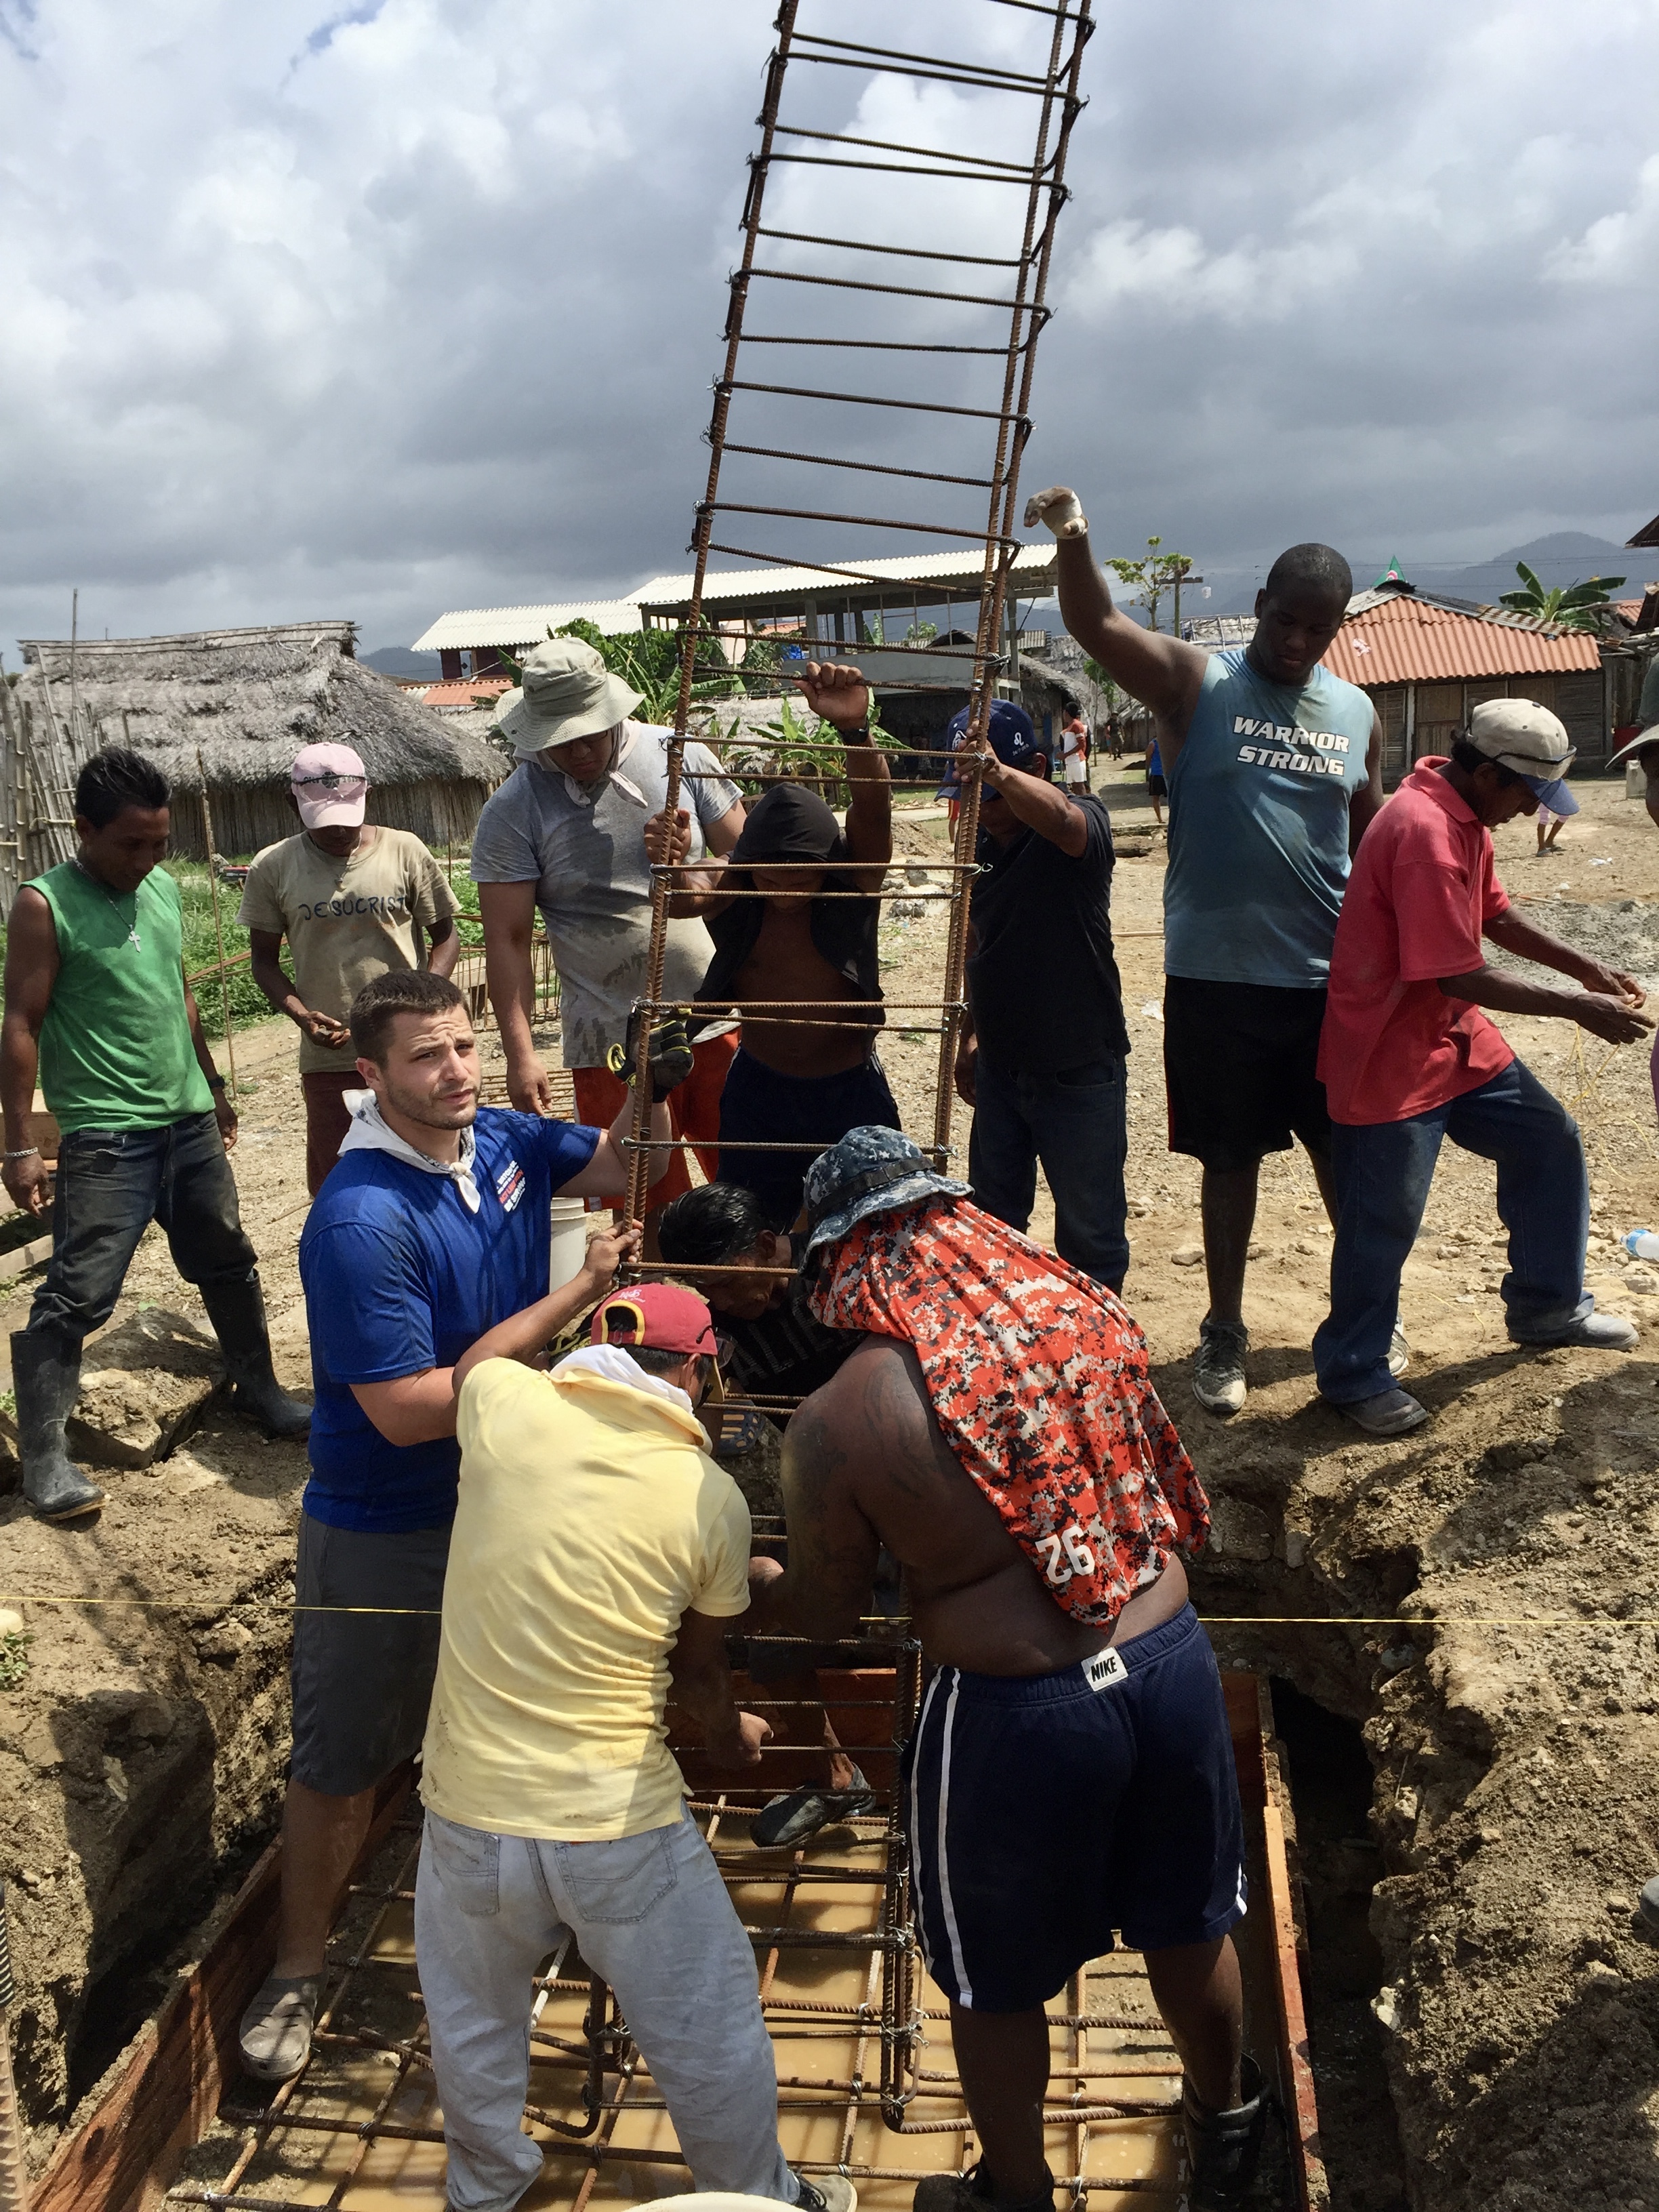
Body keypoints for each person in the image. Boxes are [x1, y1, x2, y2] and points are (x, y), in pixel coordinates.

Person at [744, 1128, 1263, 2212]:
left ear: (847, 1256)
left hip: (1021, 1714)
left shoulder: (850, 1415)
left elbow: (825, 1621)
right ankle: (1229, 2126)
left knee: (991, 1976)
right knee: (1189, 1915)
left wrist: (742, 1611)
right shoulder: (1079, 1308)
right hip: (1167, 1662)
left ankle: (1014, 2196)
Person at [238, 966, 680, 2085]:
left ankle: (556, 1917)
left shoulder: (499, 1140)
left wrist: (650, 1080)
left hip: (504, 1493)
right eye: (427, 1057)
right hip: (386, 1518)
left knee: (527, 1720)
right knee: (341, 1758)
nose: (456, 1072)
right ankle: (297, 1965)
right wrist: (574, 1297)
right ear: (372, 1075)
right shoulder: (359, 1216)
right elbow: (410, 1410)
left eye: (466, 1046)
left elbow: (632, 1162)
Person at [414, 1280, 853, 2212]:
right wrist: (732, 1737)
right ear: (696, 1371)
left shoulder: (504, 1406)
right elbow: (697, 1675)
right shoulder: (710, 1496)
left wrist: (577, 1284)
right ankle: (758, 2196)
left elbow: (483, 1361)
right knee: (710, 2030)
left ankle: (484, 2191)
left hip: (465, 1812)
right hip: (616, 1821)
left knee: (471, 2023)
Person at [1028, 484, 1386, 1418]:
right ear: (1260, 604)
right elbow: (1095, 619)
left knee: (1346, 1158)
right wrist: (1074, 536)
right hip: (1217, 980)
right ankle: (1224, 1328)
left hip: (1326, 982)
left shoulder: (1357, 715)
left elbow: (1374, 837)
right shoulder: (1200, 682)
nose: (1300, 643)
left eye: (1322, 628)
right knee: (1230, 1162)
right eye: (1287, 621)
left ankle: (1361, 1320)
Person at [1314, 701, 1650, 1433]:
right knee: (1385, 1217)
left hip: (1452, 1037)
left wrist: (1585, 965)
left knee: (1547, 1141)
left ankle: (1547, 1306)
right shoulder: (1423, 831)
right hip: (1389, 1050)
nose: (1531, 808)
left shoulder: (1466, 814)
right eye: (1527, 793)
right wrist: (1574, 1006)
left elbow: (1493, 915)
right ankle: (1353, 1371)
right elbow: (1456, 974)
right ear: (1490, 773)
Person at [0, 747, 310, 1523]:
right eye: (130, 844)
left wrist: (210, 1086)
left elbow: (178, 998)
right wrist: (17, 1143)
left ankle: (259, 1389)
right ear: (83, 830)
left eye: (159, 844)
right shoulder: (44, 904)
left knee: (227, 1259)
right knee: (80, 1290)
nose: (146, 859)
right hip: (107, 1133)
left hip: (187, 1122)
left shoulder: (165, 891)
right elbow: (20, 1023)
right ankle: (45, 1458)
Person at [471, 634, 745, 1219]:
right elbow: (508, 940)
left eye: (590, 732)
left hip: (717, 1016)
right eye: (562, 739)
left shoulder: (679, 757)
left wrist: (691, 866)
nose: (579, 751)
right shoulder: (514, 810)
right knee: (645, 1210)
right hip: (611, 1043)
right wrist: (521, 1055)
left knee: (750, 1186)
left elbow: (756, 867)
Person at [656, 1177, 878, 1848]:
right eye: (701, 1289)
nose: (715, 1304)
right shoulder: (719, 1324)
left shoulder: (838, 1271)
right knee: (766, 1611)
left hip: (906, 1474)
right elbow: (710, 1429)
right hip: (820, 1483)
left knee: (925, 1617)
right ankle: (840, 1778)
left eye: (723, 1285)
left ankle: (935, 1778)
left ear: (763, 1247)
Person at [657, 659, 898, 1227]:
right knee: (752, 1229)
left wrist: (855, 732)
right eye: (772, 878)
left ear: (829, 867)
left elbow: (873, 808)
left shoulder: (854, 880)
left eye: (802, 878)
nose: (786, 891)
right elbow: (687, 893)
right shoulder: (736, 880)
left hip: (850, 1086)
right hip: (760, 1090)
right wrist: (670, 867)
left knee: (870, 1227)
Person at [945, 700, 1130, 1289]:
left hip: (1077, 1065)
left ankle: (1102, 1356)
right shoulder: (979, 846)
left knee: (1090, 1231)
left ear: (1039, 767)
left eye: (990, 792)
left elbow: (1066, 826)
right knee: (993, 1220)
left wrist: (996, 772)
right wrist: (970, 1037)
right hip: (1003, 1065)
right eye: (967, 793)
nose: (981, 807)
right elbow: (981, 942)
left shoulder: (1082, 823)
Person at [239, 742, 460, 1196]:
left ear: (368, 796)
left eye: (348, 816)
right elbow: (263, 961)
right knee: (340, 1178)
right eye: (325, 820)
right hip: (331, 1056)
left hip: (410, 1050)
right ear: (291, 802)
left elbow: (446, 937)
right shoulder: (274, 866)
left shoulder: (405, 852)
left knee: (428, 1166)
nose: (339, 831)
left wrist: (426, 1003)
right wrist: (303, 1017)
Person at [1058, 697, 1090, 793]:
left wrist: (1066, 755)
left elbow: (1082, 744)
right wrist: (1063, 754)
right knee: (1074, 787)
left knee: (1080, 787)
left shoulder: (1077, 725)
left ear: (1067, 713)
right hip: (1071, 761)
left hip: (1076, 760)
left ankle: (1085, 806)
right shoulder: (1070, 727)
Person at [1144, 737, 1166, 826]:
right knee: (1156, 796)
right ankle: (1160, 819)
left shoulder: (1168, 742)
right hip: (1157, 773)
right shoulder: (1153, 744)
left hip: (1166, 773)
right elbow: (1148, 758)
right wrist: (1147, 772)